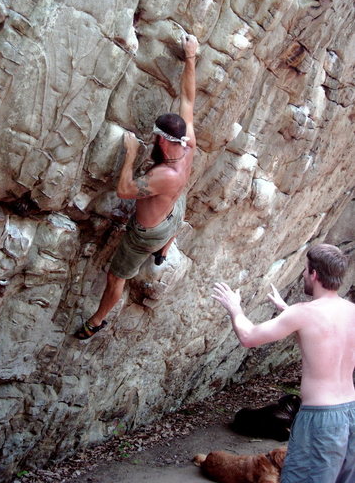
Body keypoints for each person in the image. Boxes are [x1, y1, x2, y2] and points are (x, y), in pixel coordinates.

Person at [75, 34, 199, 340]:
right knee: (175, 212)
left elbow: (126, 191)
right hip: (171, 209)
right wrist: (190, 57)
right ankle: (164, 251)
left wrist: (130, 155)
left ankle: (97, 320)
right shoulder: (188, 143)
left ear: (159, 139)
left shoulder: (165, 175)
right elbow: (187, 98)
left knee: (116, 277)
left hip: (146, 233)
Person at [212, 243, 355, 483]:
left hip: (320, 418)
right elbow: (325, 333)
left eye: (305, 270)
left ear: (314, 274)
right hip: (350, 411)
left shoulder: (303, 313)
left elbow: (249, 337)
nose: (303, 274)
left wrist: (234, 308)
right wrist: (287, 312)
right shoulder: (351, 310)